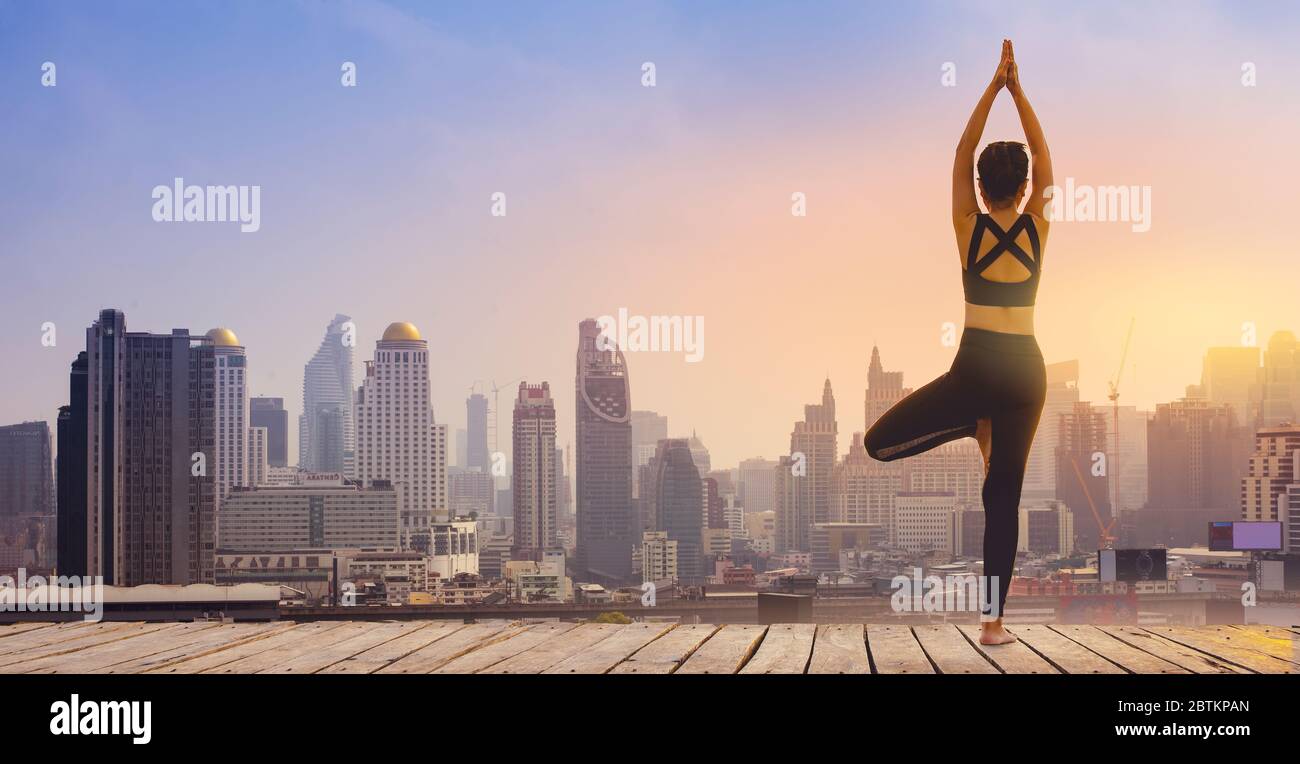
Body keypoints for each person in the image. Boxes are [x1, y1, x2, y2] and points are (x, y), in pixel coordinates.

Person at [864, 40, 1052, 645]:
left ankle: (972, 422)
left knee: (877, 444)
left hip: (975, 371)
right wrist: (1017, 90)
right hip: (1025, 374)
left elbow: (961, 149)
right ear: (1023, 189)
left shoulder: (966, 226)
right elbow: (1045, 153)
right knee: (1002, 499)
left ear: (979, 185)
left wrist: (991, 87)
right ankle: (993, 626)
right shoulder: (1039, 227)